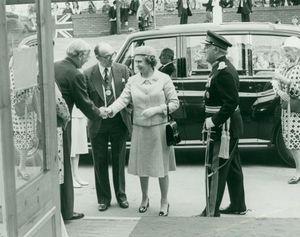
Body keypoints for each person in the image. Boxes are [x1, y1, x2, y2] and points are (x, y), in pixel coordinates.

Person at [105, 46, 179, 216]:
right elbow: (123, 100)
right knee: (143, 168)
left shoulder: (164, 79)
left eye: (139, 61)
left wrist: (157, 110)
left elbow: (175, 103)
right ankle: (145, 198)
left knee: (162, 168)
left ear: (150, 60)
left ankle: (164, 200)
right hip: (140, 129)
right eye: (135, 61)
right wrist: (110, 110)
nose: (136, 64)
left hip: (159, 129)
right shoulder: (132, 81)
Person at [54, 39, 104, 220]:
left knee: (53, 167)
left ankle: (54, 208)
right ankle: (66, 210)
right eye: (87, 56)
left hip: (47, 123)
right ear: (80, 54)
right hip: (61, 124)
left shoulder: (54, 66)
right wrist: (100, 113)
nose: (87, 59)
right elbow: (85, 104)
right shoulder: (75, 74)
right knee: (64, 166)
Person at [199, 31, 246, 217]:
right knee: (232, 167)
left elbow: (231, 102)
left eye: (207, 47)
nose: (204, 50)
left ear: (216, 49)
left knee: (216, 167)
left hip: (223, 128)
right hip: (228, 126)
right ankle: (238, 205)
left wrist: (213, 121)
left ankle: (211, 210)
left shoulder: (224, 71)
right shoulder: (220, 67)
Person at [84, 42, 132, 212]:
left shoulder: (123, 70)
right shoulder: (88, 73)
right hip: (98, 123)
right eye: (107, 56)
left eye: (113, 54)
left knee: (119, 160)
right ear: (97, 57)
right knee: (100, 160)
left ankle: (121, 195)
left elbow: (130, 94)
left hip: (119, 121)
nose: (111, 58)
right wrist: (98, 111)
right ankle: (103, 198)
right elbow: (85, 99)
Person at [272, 36, 300, 184]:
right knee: (292, 141)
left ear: (296, 50)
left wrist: (286, 81)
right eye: (285, 51)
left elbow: (297, 90)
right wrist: (279, 91)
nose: (286, 54)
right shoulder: (286, 63)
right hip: (288, 109)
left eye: (288, 51)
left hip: (297, 109)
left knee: (296, 139)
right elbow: (274, 79)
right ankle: (299, 170)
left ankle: (298, 172)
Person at [70, 106, 89, 188]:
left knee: (78, 146)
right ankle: (70, 177)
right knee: (72, 148)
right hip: (71, 115)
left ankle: (76, 175)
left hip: (81, 113)